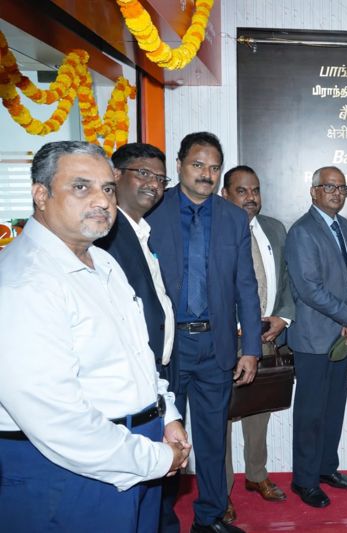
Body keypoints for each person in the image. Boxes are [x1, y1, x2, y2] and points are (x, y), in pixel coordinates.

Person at [0, 141, 190, 532]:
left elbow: (136, 355)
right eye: (81, 187)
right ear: (41, 194)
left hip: (134, 454)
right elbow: (57, 419)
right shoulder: (24, 281)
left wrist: (166, 415)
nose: (102, 201)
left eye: (107, 188)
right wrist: (154, 459)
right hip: (69, 474)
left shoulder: (102, 261)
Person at [147, 132, 261, 533]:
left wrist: (251, 348)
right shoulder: (152, 211)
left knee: (213, 439)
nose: (206, 174)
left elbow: (246, 286)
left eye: (214, 167)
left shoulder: (233, 218)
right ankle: (162, 522)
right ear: (179, 165)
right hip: (168, 348)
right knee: (165, 439)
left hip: (216, 346)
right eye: (198, 165)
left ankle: (210, 518)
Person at [284, 166, 347, 508]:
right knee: (310, 413)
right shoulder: (302, 231)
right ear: (314, 191)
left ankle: (326, 468)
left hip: (342, 335)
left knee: (333, 408)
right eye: (330, 187)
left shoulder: (345, 227)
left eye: (342, 188)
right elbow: (309, 289)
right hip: (313, 339)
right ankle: (304, 480)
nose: (337, 193)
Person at [220, 166, 295, 522]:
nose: (251, 197)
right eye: (241, 191)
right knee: (219, 419)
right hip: (225, 341)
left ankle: (256, 474)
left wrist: (283, 317)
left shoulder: (274, 229)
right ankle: (220, 492)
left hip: (265, 337)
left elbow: (288, 280)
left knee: (257, 411)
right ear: (225, 195)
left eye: (255, 190)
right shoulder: (213, 232)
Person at [96, 143, 175, 371]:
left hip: (157, 367)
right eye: (144, 173)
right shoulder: (106, 234)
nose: (154, 184)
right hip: (129, 370)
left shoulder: (142, 232)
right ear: (116, 175)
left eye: (161, 179)